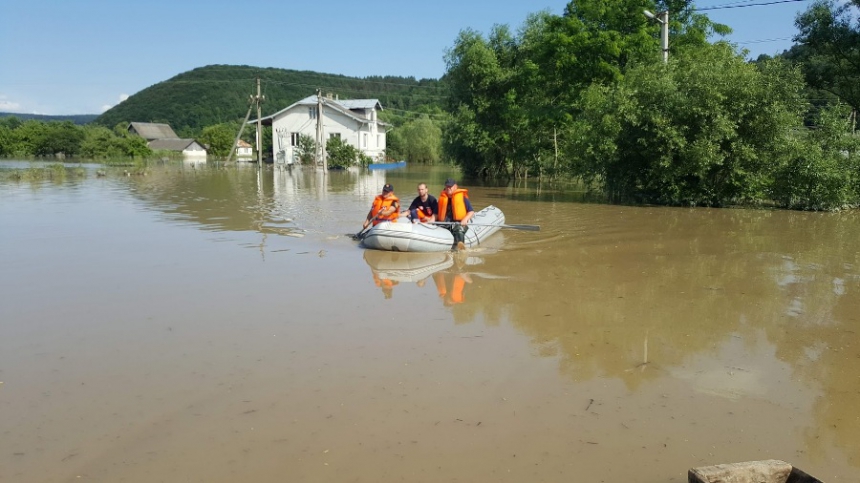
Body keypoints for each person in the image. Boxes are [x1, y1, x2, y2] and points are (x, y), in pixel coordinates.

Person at [437, 178, 474, 251]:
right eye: (447, 186)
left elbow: (471, 211)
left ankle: (460, 248)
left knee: (459, 229)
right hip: (446, 223)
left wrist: (465, 219)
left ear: (455, 186)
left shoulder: (462, 197)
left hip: (458, 223)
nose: (448, 188)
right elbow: (436, 213)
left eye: (450, 186)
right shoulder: (442, 198)